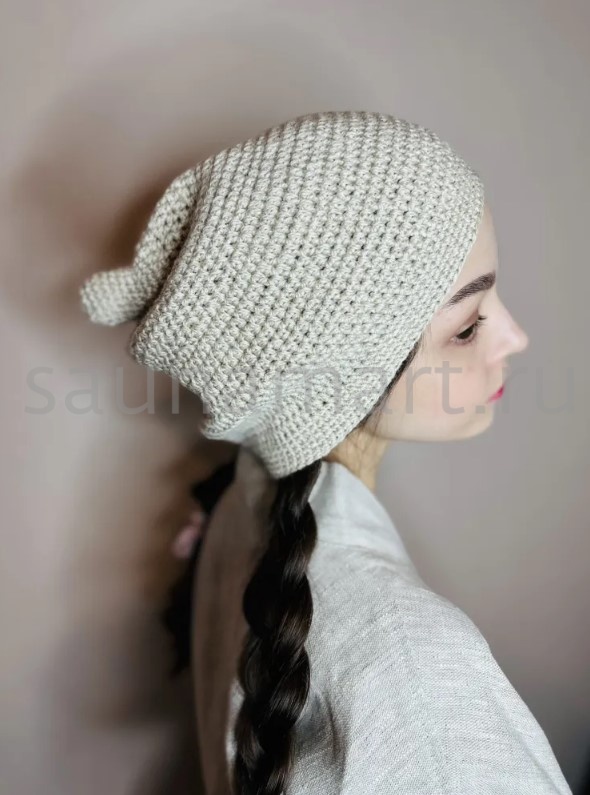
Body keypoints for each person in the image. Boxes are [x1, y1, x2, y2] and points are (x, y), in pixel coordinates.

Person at [79, 110, 572, 795]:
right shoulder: (419, 677)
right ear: (333, 377)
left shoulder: (241, 499)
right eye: (467, 326)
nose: (514, 337)